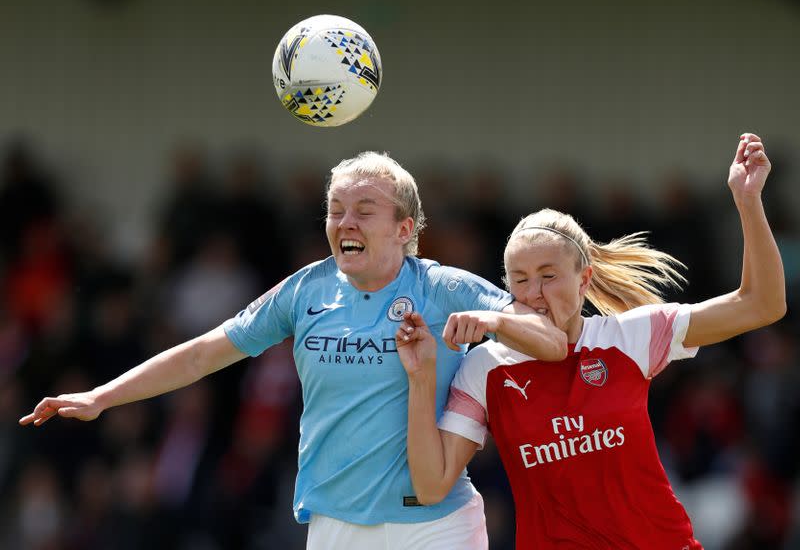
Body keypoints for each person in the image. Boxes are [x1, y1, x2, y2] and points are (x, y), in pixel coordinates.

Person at [20, 151, 566, 550]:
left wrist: (495, 318)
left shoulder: (445, 288)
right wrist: (101, 397)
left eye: (364, 210)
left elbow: (552, 339)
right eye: (336, 210)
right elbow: (201, 355)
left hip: (433, 526)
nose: (345, 222)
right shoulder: (307, 289)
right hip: (331, 525)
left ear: (404, 229)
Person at [395, 133, 785, 549]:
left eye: (549, 275)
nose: (535, 294)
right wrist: (421, 379)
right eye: (521, 280)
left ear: (584, 280)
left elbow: (761, 304)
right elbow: (432, 485)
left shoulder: (631, 335)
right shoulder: (484, 369)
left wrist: (747, 201)